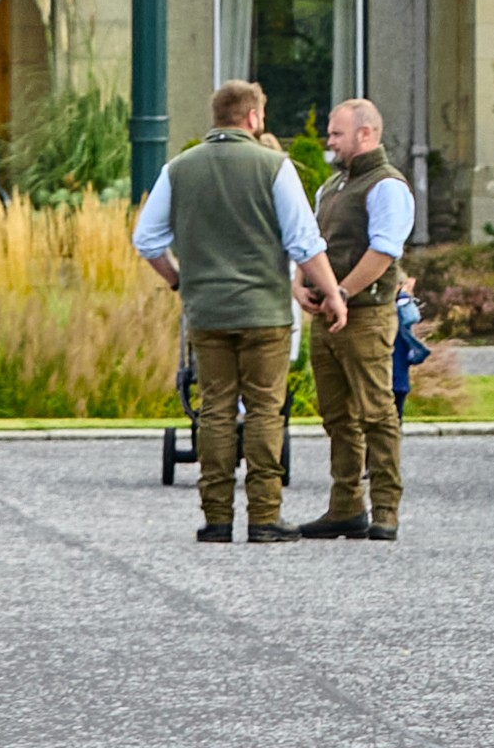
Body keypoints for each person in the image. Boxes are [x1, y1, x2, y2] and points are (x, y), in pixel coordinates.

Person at [136, 79, 349, 546]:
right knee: (264, 410)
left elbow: (147, 240)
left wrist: (178, 280)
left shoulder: (179, 168)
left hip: (206, 311)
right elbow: (303, 241)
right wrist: (331, 292)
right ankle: (264, 515)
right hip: (265, 311)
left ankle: (215, 517)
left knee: (214, 409)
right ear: (252, 118)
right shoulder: (274, 165)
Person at [297, 97, 417, 542]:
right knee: (336, 415)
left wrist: (341, 291)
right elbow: (310, 240)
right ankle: (345, 505)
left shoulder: (386, 186)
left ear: (366, 134)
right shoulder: (331, 188)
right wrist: (300, 285)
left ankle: (385, 508)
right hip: (328, 314)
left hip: (365, 314)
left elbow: (385, 251)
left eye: (336, 133)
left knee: (376, 412)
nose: (329, 141)